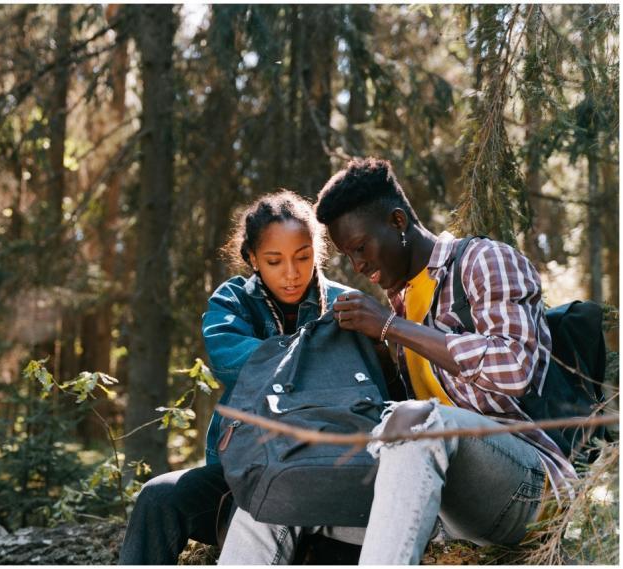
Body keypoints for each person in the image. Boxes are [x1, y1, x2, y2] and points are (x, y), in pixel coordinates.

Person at [217, 157, 577, 565]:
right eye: (348, 257)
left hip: (524, 488)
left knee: (419, 420)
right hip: (433, 499)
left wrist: (391, 328)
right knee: (275, 488)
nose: (359, 266)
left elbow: (514, 368)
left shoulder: (482, 261)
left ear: (398, 221)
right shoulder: (400, 304)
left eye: (361, 248)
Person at [118, 190, 353, 564]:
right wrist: (317, 358)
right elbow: (231, 362)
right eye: (275, 261)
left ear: (318, 251)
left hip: (324, 477)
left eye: (303, 257)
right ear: (252, 259)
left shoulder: (346, 306)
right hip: (238, 476)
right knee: (158, 497)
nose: (291, 273)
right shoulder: (231, 301)